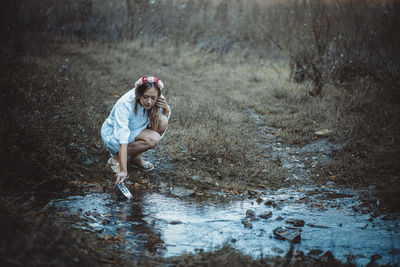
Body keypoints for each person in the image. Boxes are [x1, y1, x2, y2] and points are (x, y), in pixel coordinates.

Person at [101, 75, 170, 184]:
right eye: (145, 97)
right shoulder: (126, 104)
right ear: (139, 94)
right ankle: (115, 159)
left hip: (136, 130)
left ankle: (135, 157)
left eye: (153, 98)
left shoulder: (155, 95)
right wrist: (124, 171)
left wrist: (165, 109)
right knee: (153, 139)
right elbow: (122, 138)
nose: (149, 102)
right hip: (114, 135)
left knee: (163, 121)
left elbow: (162, 122)